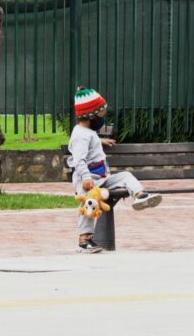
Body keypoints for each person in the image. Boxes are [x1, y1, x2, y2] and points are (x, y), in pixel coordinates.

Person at [67, 86, 162, 253]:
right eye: (100, 114)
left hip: (102, 178)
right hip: (87, 181)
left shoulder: (88, 132)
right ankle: (84, 240)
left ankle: (140, 195)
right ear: (90, 115)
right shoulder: (80, 135)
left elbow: (90, 142)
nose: (102, 118)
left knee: (126, 175)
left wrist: (101, 141)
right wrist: (86, 178)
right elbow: (79, 158)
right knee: (89, 204)